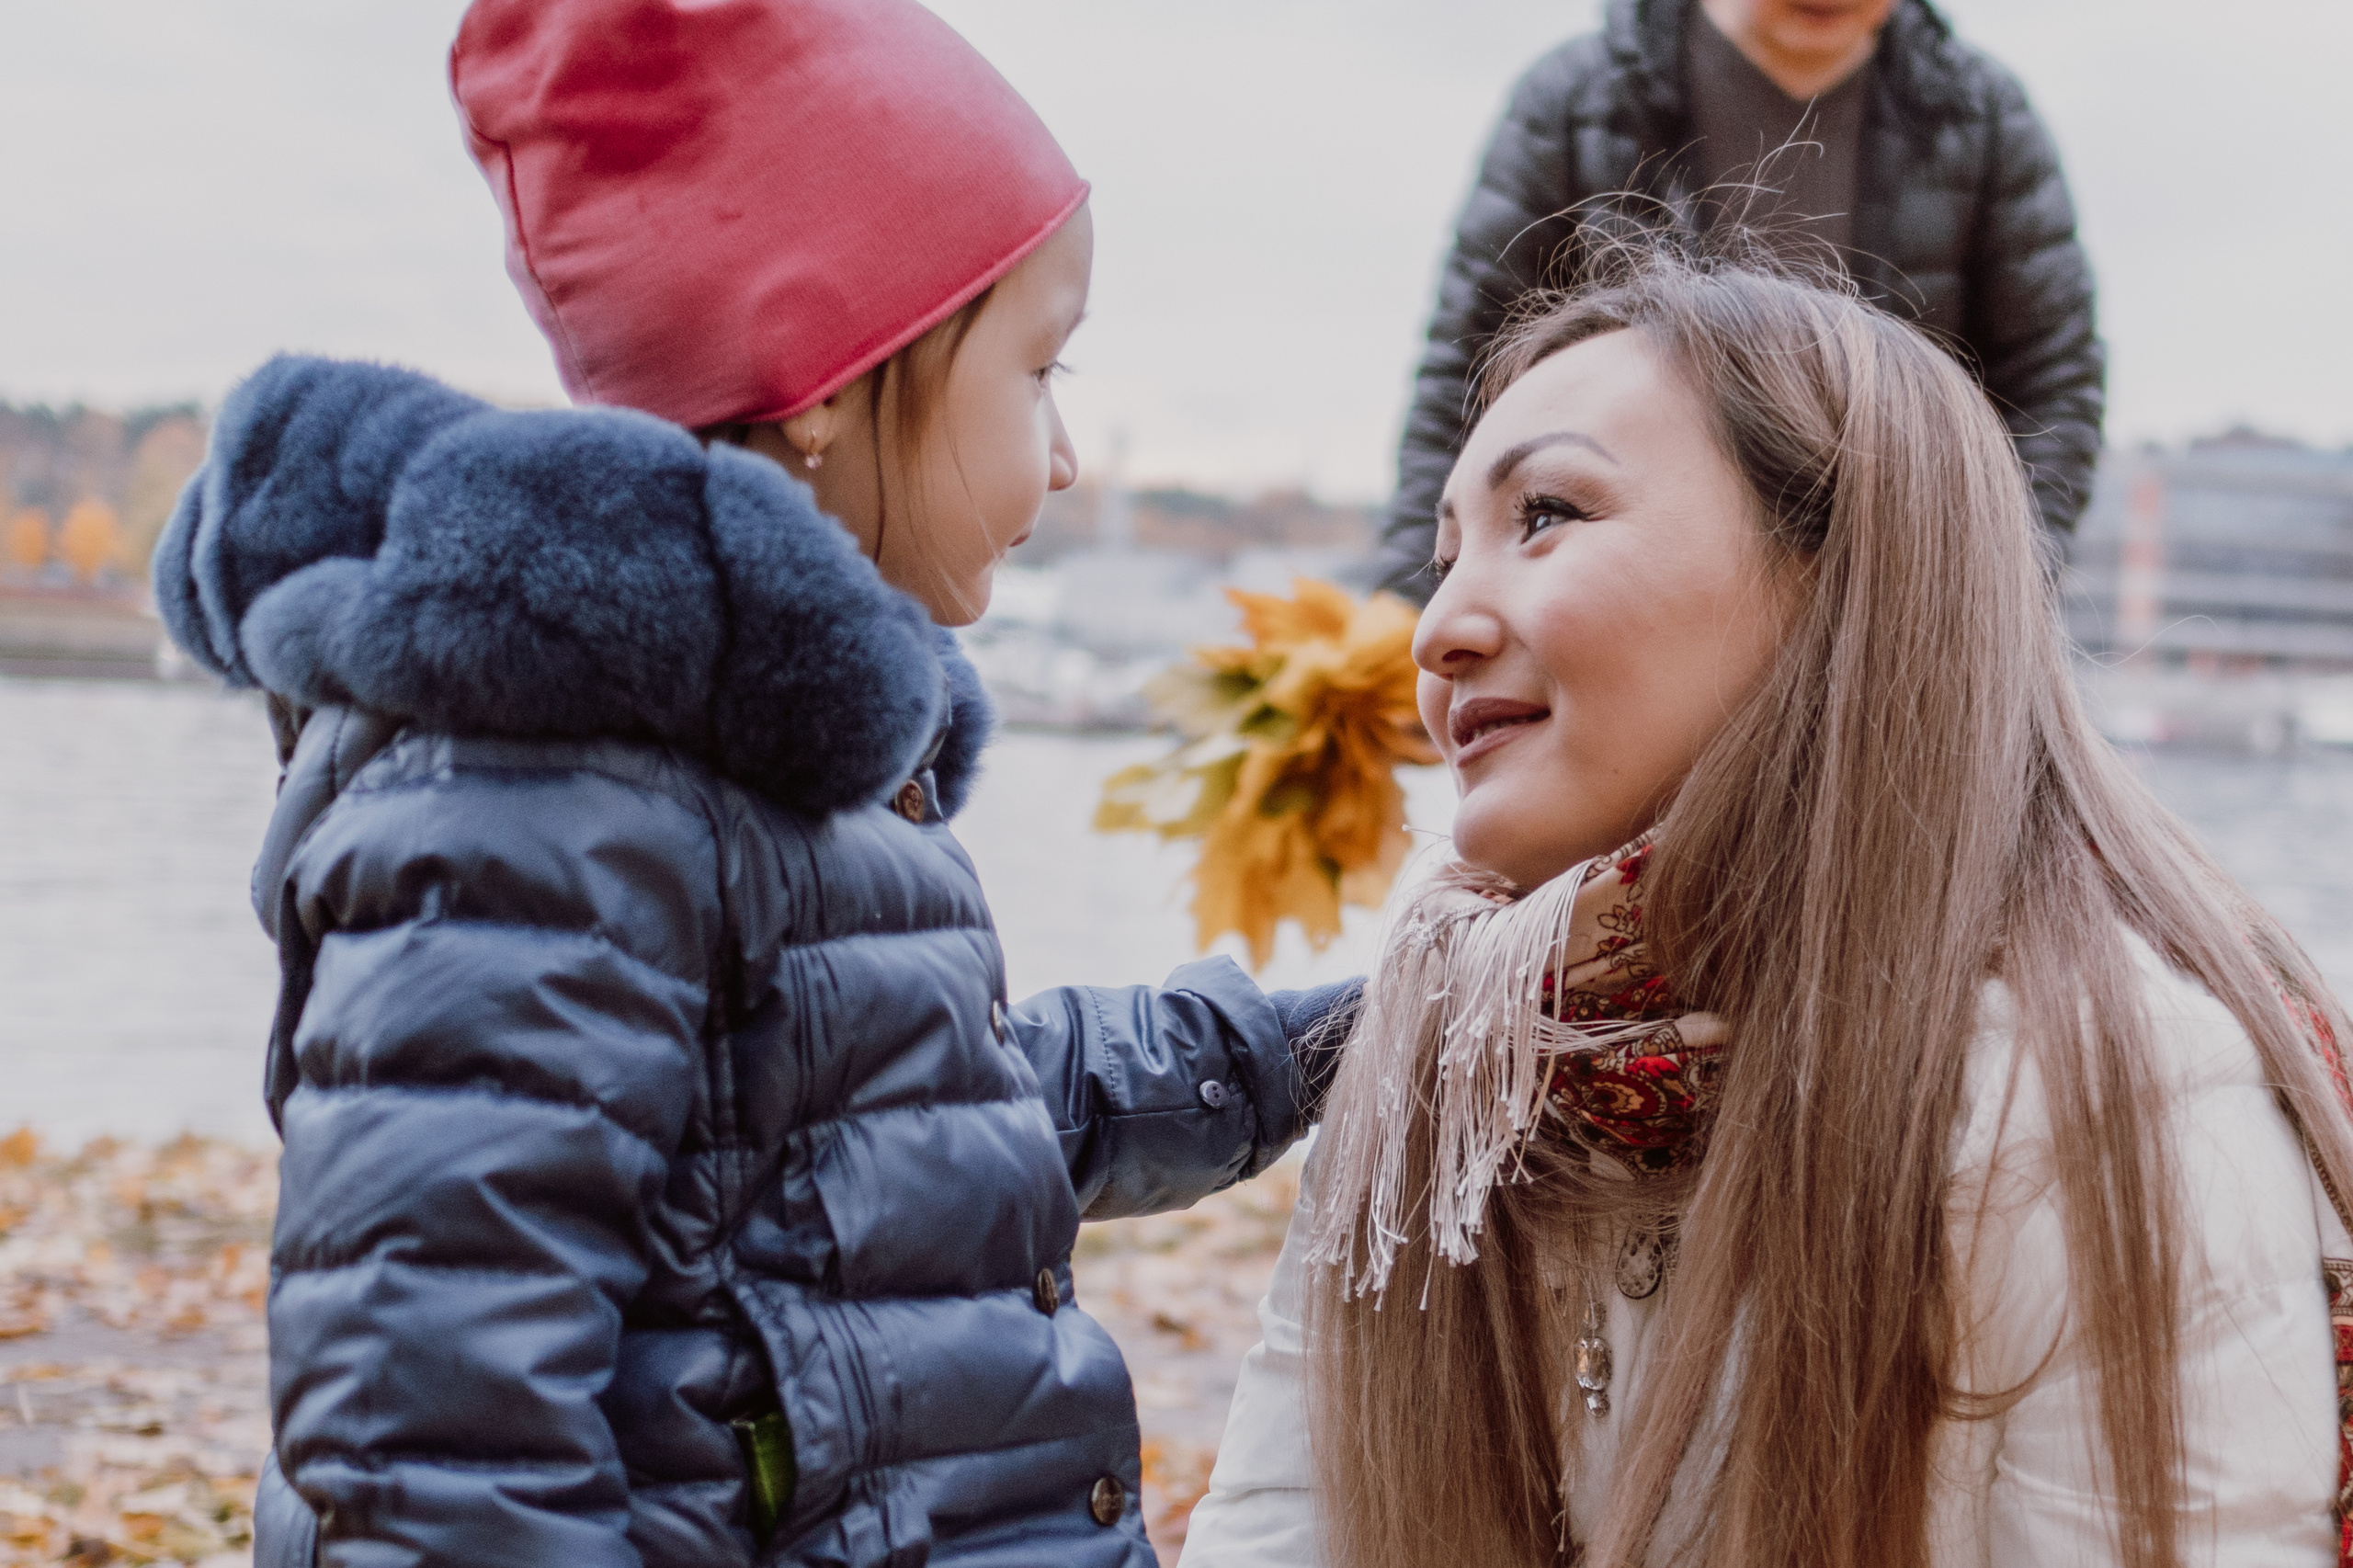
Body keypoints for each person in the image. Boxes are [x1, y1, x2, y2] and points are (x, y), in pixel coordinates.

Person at [149, 3, 1358, 1564]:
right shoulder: (546, 790)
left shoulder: (758, 769)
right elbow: (435, 1444)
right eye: (1039, 370)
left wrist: (1317, 1048)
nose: (1063, 458)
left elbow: (907, 1144)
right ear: (828, 381)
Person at [1180, 244, 2353, 1567]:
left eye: (1548, 512)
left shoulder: (2113, 1093)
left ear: (1837, 571)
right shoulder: (1434, 1055)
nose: (1436, 627)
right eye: (1446, 552)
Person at [1374, 0, 2105, 598]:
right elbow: (1471, 373)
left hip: (1877, 618)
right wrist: (1415, 600)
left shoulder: (1980, 118)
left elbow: (2050, 385)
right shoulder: (1577, 103)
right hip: (1619, 602)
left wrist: (1992, 595)